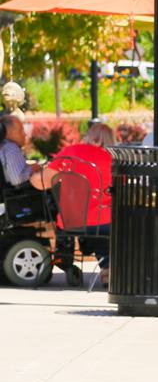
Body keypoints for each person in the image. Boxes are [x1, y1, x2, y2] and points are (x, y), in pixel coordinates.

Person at [31, 123, 116, 282]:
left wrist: (32, 176)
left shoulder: (71, 152)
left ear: (89, 136)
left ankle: (65, 262)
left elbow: (41, 182)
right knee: (103, 227)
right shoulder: (114, 160)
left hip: (71, 221)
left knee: (77, 222)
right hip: (104, 222)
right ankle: (107, 268)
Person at [0, 114, 39, 189]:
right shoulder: (10, 148)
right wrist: (33, 168)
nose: (25, 134)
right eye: (21, 130)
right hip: (15, 197)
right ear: (8, 133)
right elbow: (17, 179)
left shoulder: (3, 147)